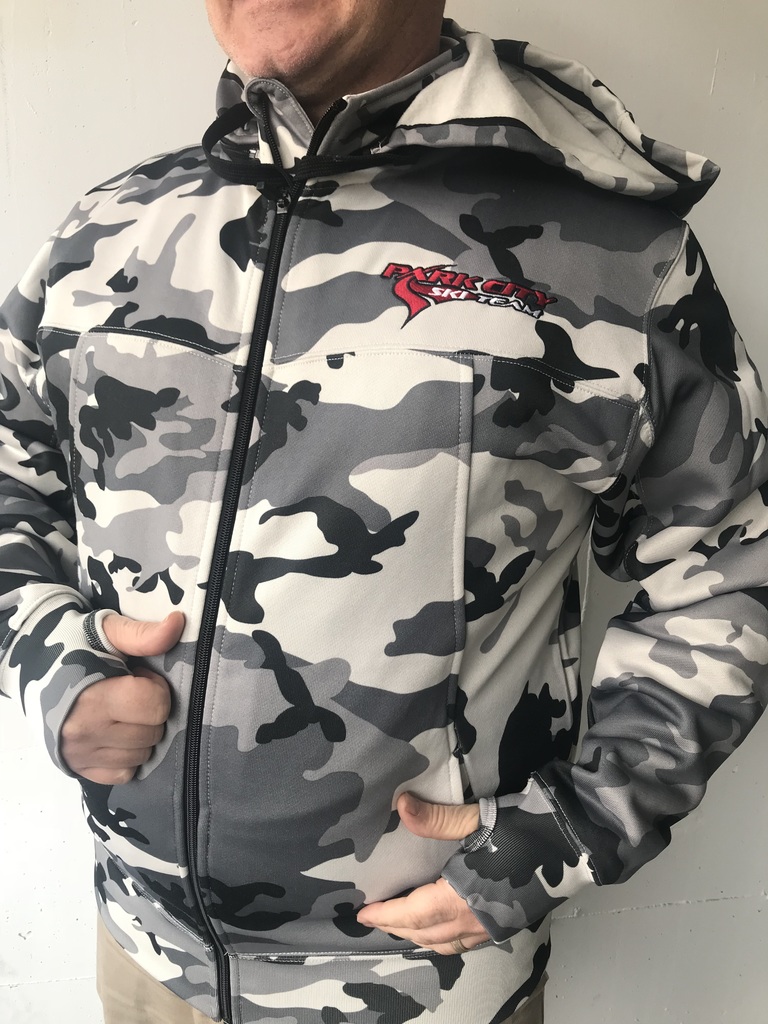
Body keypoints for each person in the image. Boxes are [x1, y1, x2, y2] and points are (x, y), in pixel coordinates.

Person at [1, 1, 765, 1022]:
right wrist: (46, 655)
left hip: (423, 985)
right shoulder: (107, 233)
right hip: (147, 956)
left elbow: (734, 554)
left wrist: (572, 829)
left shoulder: (614, 253)